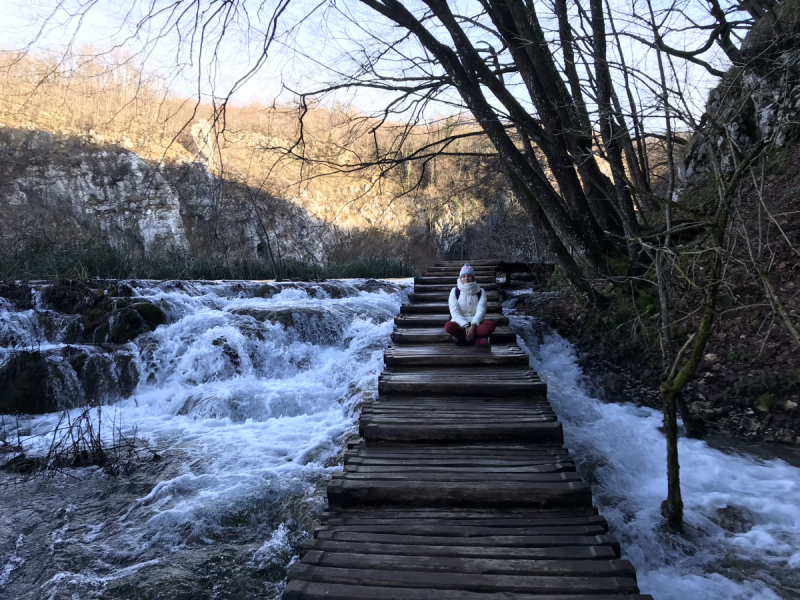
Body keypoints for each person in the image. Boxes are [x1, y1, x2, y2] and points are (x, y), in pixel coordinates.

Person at [444, 264, 496, 346]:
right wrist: (465, 326)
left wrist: (473, 326)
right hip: (459, 323)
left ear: (473, 278)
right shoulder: (454, 291)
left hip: (476, 324)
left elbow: (481, 311)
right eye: (463, 276)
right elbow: (454, 312)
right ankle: (476, 341)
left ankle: (462, 339)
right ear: (460, 278)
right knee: (448, 326)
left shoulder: (481, 291)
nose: (466, 278)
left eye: (469, 276)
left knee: (490, 325)